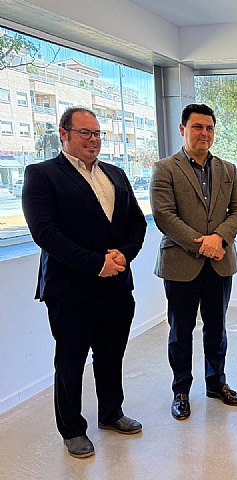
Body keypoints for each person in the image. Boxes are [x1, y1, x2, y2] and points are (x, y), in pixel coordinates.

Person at [22, 107, 147, 458]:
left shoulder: (116, 174)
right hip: (71, 289)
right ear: (64, 134)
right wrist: (96, 264)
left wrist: (123, 255)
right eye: (85, 133)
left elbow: (137, 223)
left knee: (111, 354)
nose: (93, 140)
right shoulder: (42, 175)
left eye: (97, 133)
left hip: (117, 285)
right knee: (71, 361)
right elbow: (46, 233)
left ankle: (111, 413)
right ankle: (73, 429)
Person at [150, 103, 237, 421]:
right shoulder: (165, 169)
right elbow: (164, 216)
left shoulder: (228, 170)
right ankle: (181, 390)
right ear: (183, 129)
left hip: (220, 262)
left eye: (209, 128)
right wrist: (203, 244)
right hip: (181, 263)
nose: (204, 133)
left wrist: (218, 239)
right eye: (197, 127)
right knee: (181, 331)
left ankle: (216, 383)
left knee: (217, 328)